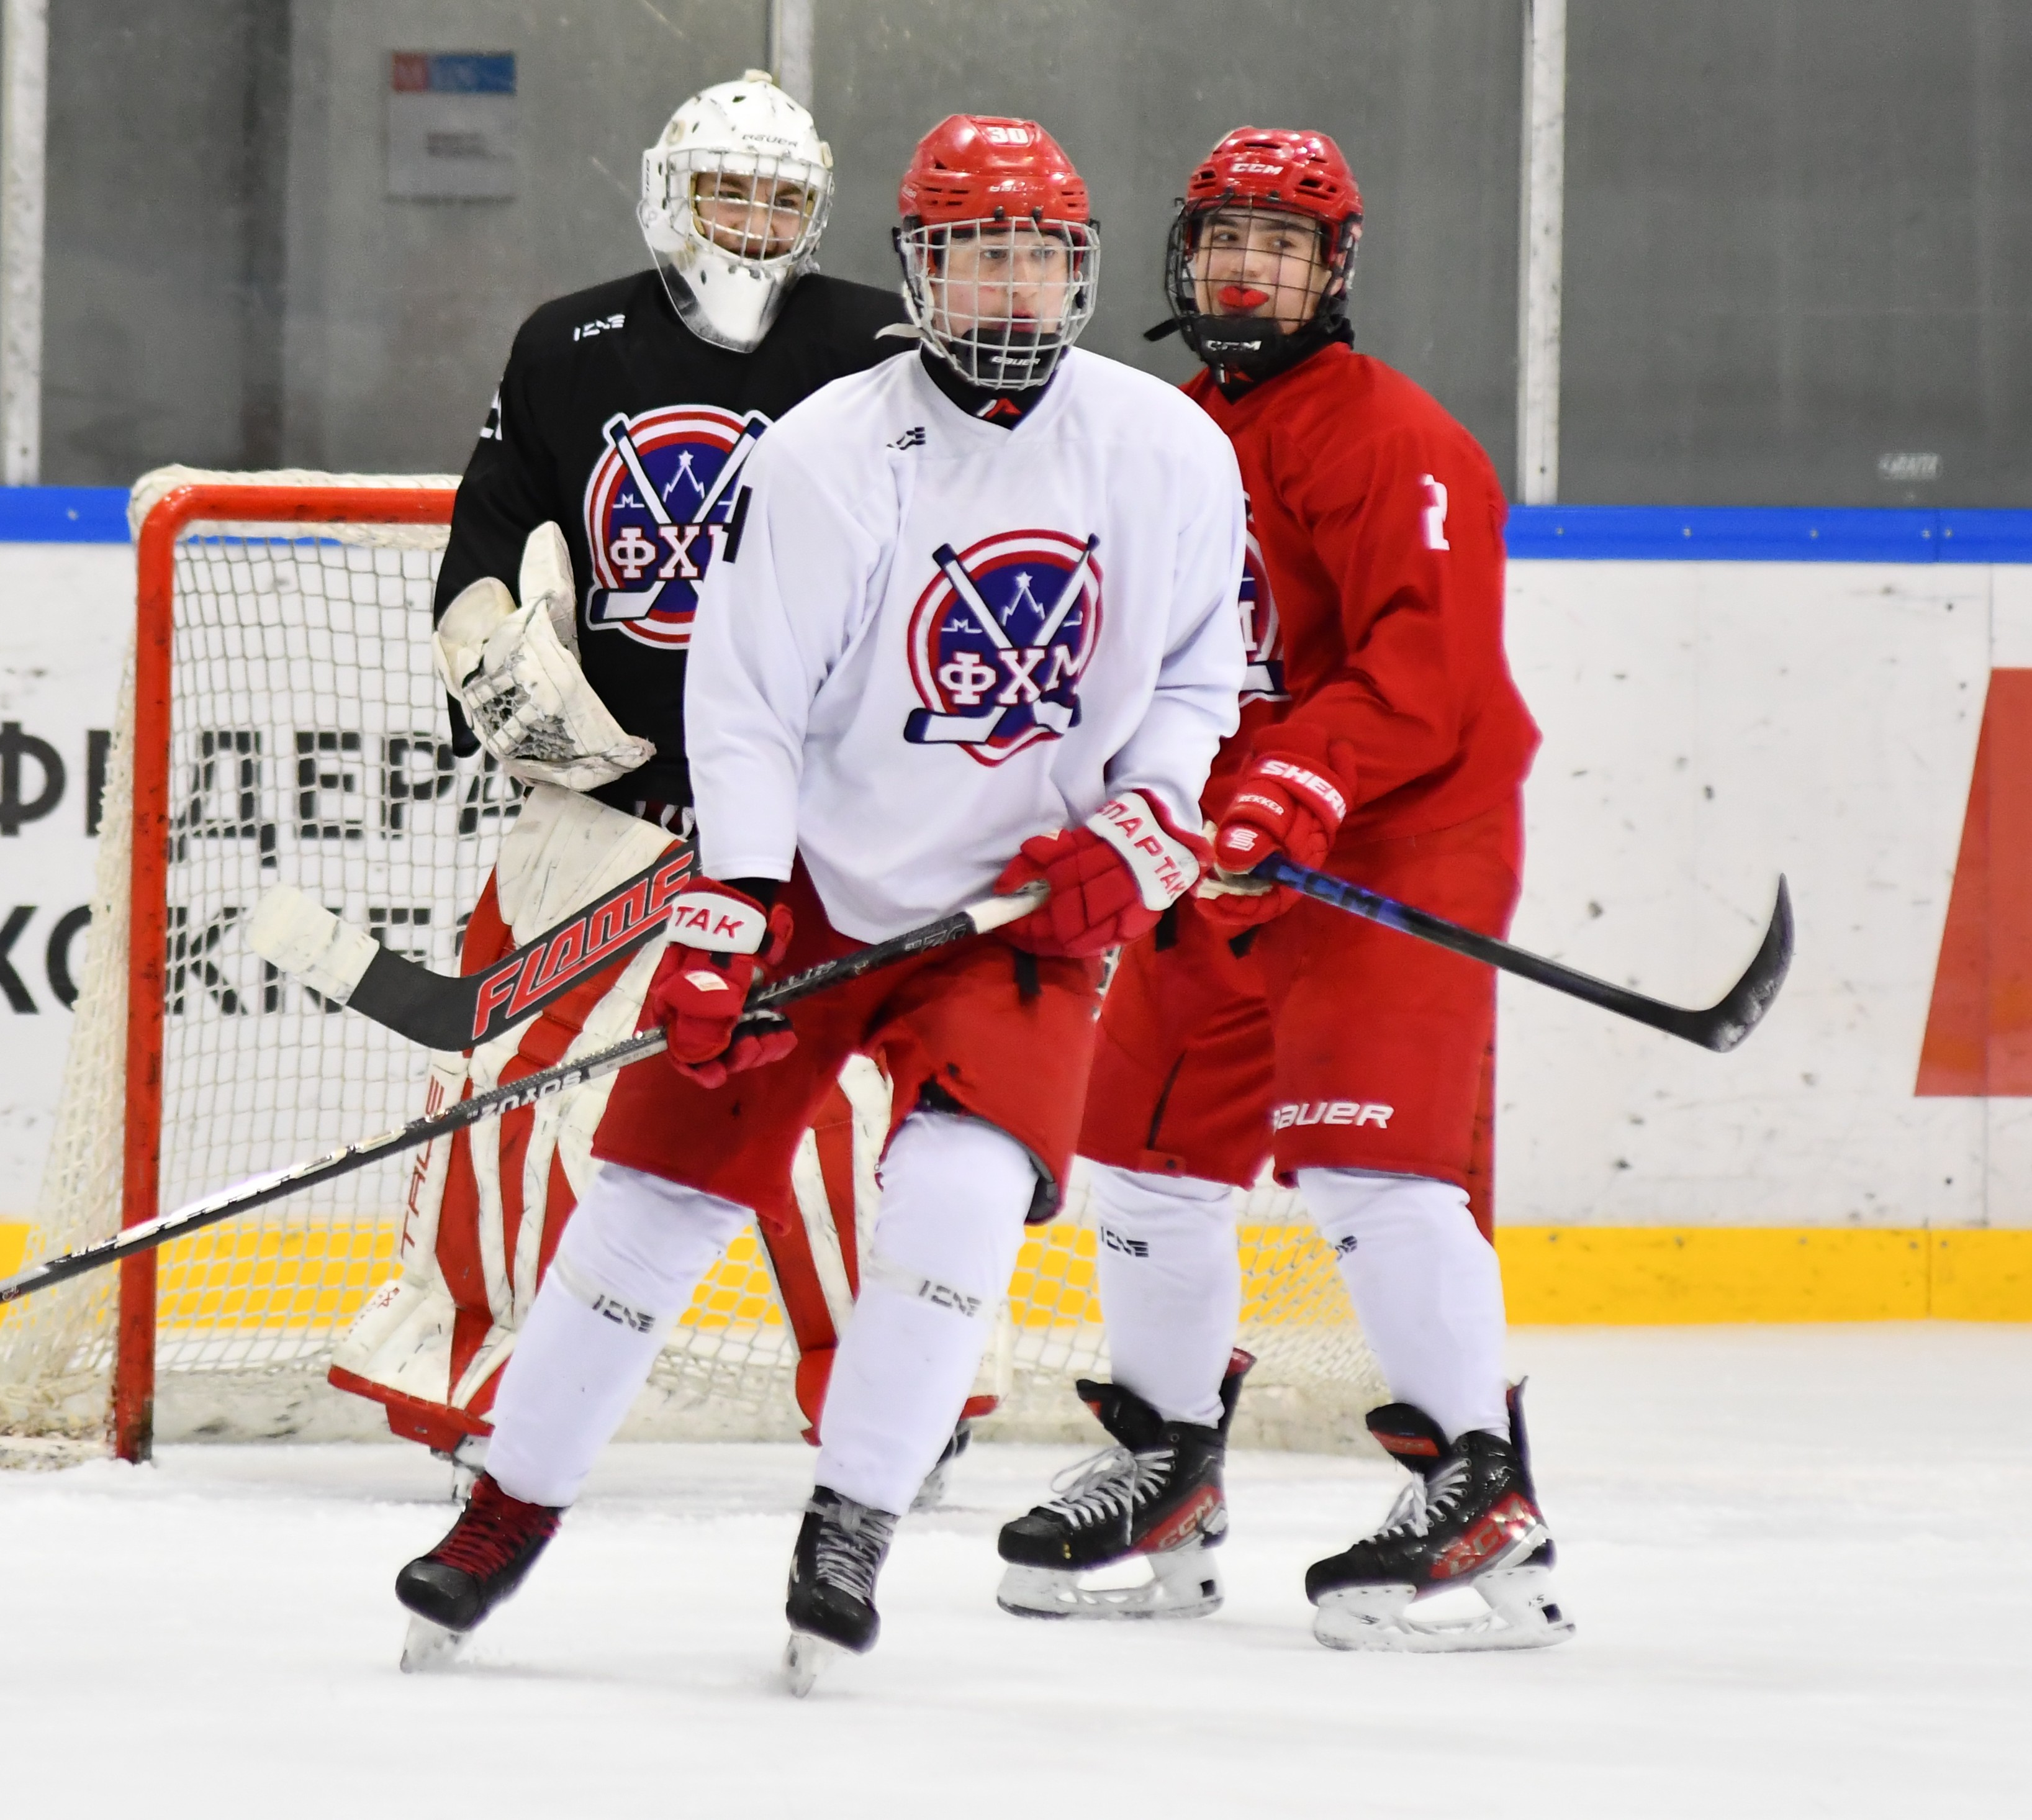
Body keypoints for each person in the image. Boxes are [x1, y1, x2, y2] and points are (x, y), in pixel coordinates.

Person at [393, 114, 1248, 1690]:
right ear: (920, 269)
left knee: (957, 1208)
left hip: (1021, 917)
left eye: (1043, 253)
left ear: (1084, 269)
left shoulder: (1169, 448)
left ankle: (849, 1521)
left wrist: (1145, 820)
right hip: (816, 897)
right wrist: (730, 905)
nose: (1012, 284)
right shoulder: (830, 450)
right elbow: (746, 705)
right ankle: (509, 1509)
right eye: (981, 251)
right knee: (647, 1208)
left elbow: (1199, 677)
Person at [995, 127, 1572, 1653]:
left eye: (1286, 243)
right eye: (1225, 239)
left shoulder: (1395, 440)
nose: (1250, 266)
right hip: (1227, 842)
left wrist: (1282, 789)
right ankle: (1172, 1464)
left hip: (1394, 841)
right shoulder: (1160, 432)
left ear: (1335, 272)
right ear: (1182, 259)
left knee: (1371, 1170)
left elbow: (1421, 676)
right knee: (1147, 1160)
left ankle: (1489, 1496)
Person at [326, 73, 914, 1472]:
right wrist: (493, 658)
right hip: (606, 815)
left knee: (843, 1098)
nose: (754, 221)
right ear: (672, 191)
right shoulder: (571, 343)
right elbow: (492, 536)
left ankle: (888, 1391)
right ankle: (471, 1363)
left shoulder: (874, 345)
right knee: (504, 1078)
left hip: (815, 820)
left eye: (782, 196)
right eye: (731, 190)